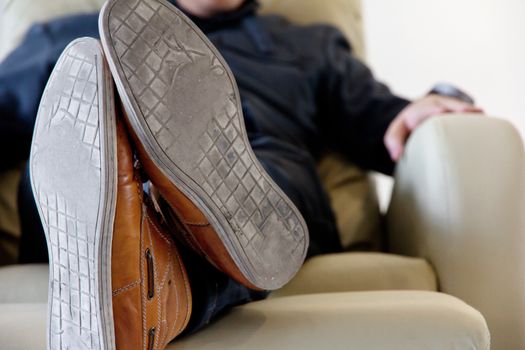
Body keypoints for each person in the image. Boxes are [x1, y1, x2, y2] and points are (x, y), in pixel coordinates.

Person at [0, 0, 482, 348]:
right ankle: (140, 259)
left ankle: (151, 284)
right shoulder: (66, 36)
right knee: (76, 149)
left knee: (272, 175)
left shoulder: (307, 45)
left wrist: (429, 106)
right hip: (92, 185)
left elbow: (382, 121)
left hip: (267, 171)